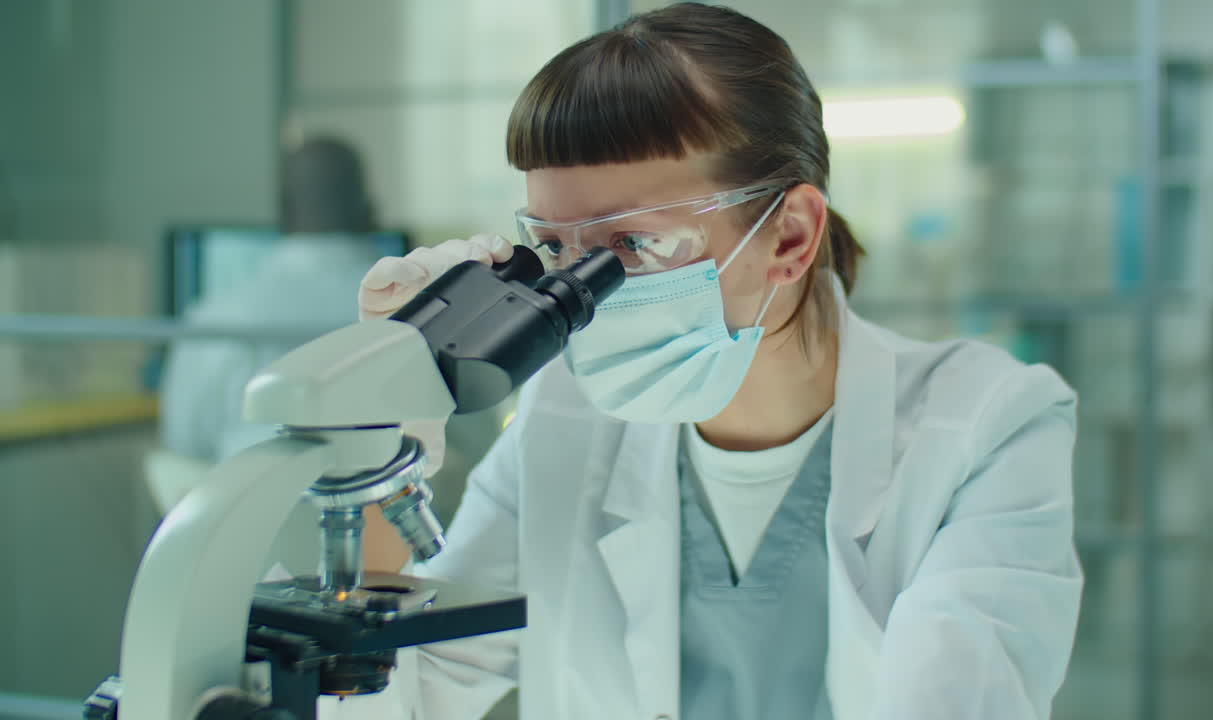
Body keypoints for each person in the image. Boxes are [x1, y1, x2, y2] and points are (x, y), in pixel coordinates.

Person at [353, 5, 1082, 719]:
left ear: (790, 237)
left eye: (632, 246)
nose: (583, 296)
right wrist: (382, 428)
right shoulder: (562, 418)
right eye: (556, 250)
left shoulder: (988, 427)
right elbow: (402, 690)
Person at [160, 136, 387, 463]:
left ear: (283, 207)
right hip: (390, 507)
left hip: (251, 508)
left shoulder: (219, 316)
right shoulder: (412, 312)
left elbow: (186, 439)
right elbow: (457, 437)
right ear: (369, 209)